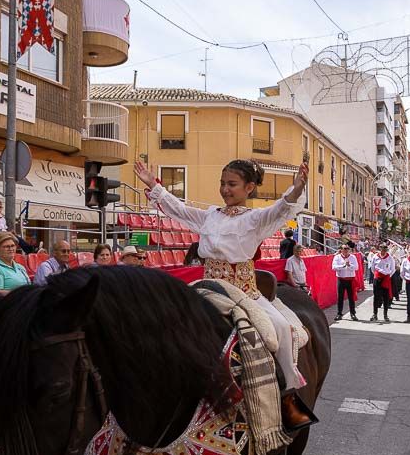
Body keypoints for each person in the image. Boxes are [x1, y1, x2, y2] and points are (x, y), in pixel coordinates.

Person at [135, 156, 317, 430]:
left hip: (245, 293)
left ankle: (288, 398)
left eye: (232, 184)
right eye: (222, 183)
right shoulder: (209, 216)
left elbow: (282, 208)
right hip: (208, 287)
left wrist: (297, 189)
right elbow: (179, 209)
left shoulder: (257, 219)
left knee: (282, 330)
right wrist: (154, 185)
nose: (225, 189)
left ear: (250, 188)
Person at [331, 243, 359, 322]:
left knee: (351, 297)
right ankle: (339, 313)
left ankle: (352, 313)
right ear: (341, 250)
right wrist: (343, 266)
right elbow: (333, 267)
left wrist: (349, 265)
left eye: (347, 249)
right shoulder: (337, 257)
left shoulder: (353, 257)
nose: (346, 250)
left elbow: (356, 267)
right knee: (340, 297)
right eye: (344, 249)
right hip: (341, 279)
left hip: (350, 280)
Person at [370, 243, 396, 323]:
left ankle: (385, 315)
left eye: (385, 249)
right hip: (377, 278)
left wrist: (387, 276)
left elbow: (392, 269)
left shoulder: (390, 258)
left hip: (386, 278)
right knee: (376, 297)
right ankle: (375, 314)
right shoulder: (375, 256)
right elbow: (372, 268)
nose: (383, 250)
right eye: (382, 248)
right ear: (380, 248)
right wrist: (377, 275)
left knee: (386, 297)